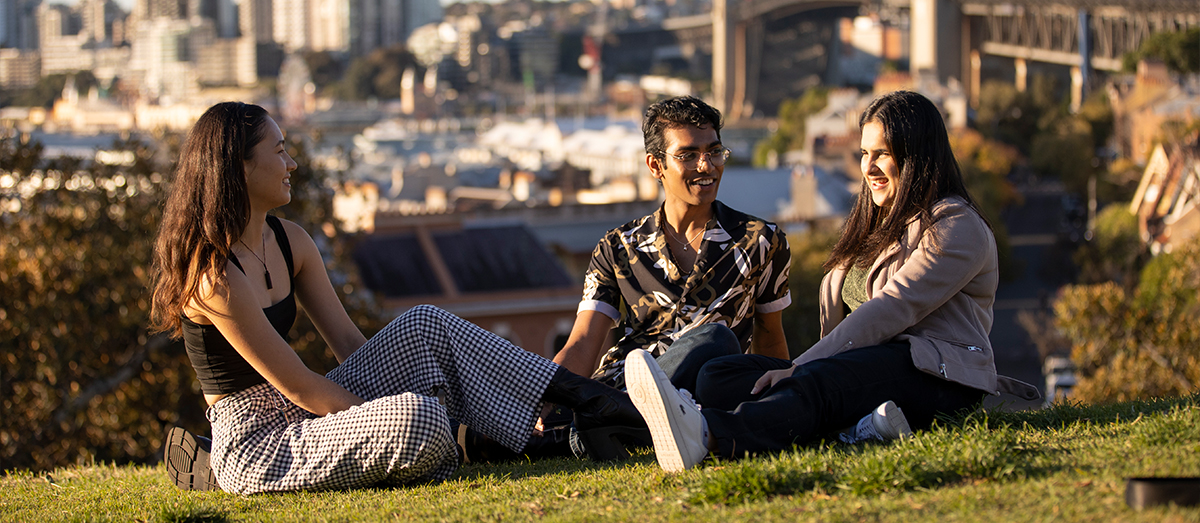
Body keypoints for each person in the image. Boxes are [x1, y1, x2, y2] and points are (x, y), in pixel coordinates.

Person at [153, 102, 643, 493]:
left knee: (425, 323)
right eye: (278, 151)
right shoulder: (213, 275)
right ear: (237, 167)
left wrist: (394, 383)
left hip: (305, 419)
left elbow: (348, 341)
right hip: (256, 443)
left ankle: (597, 402)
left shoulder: (290, 241)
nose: (292, 163)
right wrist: (382, 410)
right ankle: (550, 441)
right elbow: (299, 384)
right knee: (418, 417)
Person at [622, 90, 1041, 472]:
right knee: (720, 375)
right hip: (862, 369)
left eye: (884, 153)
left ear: (917, 156)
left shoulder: (955, 224)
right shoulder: (871, 224)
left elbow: (891, 309)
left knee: (817, 381)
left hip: (937, 376)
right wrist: (802, 369)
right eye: (865, 153)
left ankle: (708, 437)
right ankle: (860, 428)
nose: (870, 167)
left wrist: (804, 366)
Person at [542, 96, 792, 456]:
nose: (706, 165)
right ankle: (617, 420)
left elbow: (770, 336)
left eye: (714, 151)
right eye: (688, 155)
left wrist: (785, 397)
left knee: (716, 344)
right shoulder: (618, 247)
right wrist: (545, 400)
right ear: (655, 165)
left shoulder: (760, 241)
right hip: (626, 384)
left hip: (710, 389)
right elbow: (583, 342)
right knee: (712, 344)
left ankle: (605, 428)